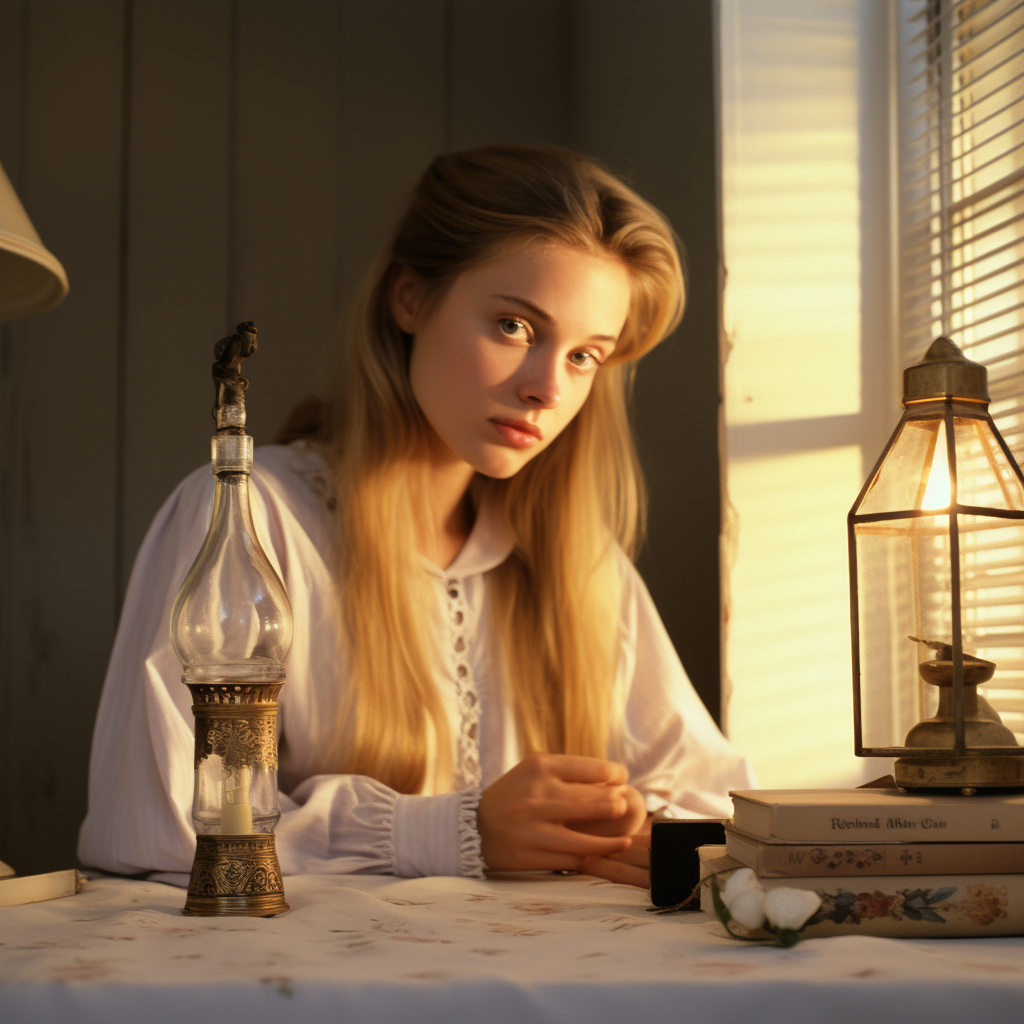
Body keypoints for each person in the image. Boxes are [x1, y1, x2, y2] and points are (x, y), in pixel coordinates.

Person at [78, 144, 754, 888]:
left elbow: (713, 796)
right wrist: (454, 831)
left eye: (585, 356)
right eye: (514, 326)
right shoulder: (251, 519)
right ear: (410, 298)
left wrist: (635, 831)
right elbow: (153, 821)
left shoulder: (579, 563)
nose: (547, 389)